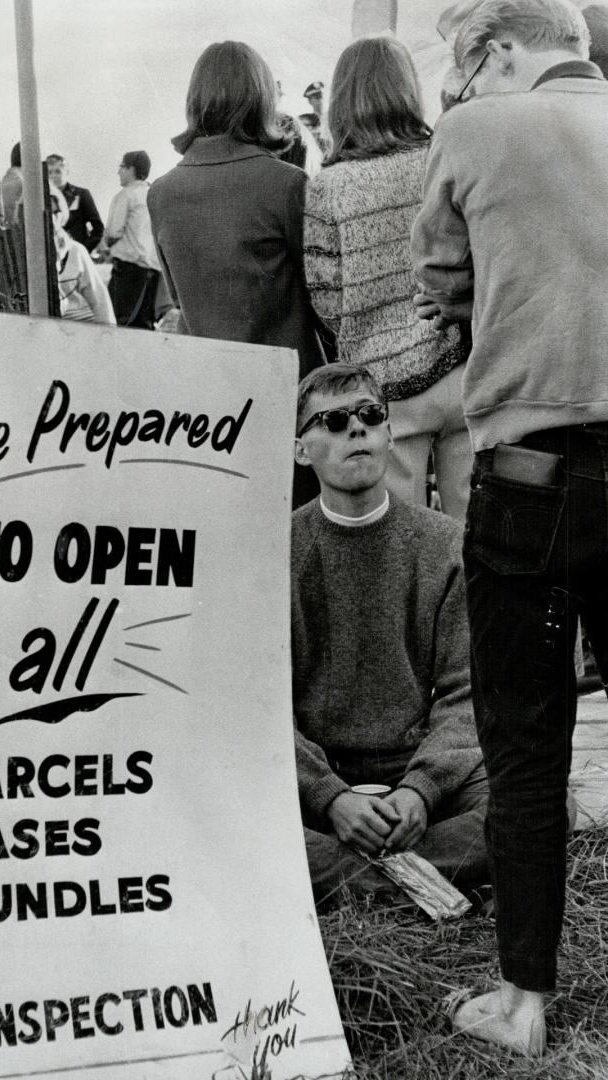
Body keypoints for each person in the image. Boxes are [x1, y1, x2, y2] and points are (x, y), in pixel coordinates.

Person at [410, 0, 608, 1055]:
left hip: (531, 473)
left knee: (526, 747)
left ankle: (522, 1000)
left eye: (465, 69)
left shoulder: (481, 127)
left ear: (497, 52)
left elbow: (439, 281)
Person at [292, 362, 488, 902]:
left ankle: (365, 883)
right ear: (300, 449)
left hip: (411, 771)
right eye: (332, 421)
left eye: (370, 415)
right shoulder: (273, 552)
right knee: (231, 811)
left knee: (532, 803)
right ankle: (418, 883)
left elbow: (466, 691)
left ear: (388, 432)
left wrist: (421, 793)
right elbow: (257, 709)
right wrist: (329, 796)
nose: (355, 429)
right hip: (315, 778)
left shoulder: (446, 546)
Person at [304, 37, 471, 521]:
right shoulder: (440, 157)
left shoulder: (328, 187)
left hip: (383, 392)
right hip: (460, 367)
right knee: (472, 532)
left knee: (402, 537)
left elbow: (326, 298)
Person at [147, 41, 327, 377]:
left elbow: (179, 298)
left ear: (194, 101)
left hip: (212, 398)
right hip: (292, 389)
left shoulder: (160, 193)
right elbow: (323, 299)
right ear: (261, 100)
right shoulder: (287, 183)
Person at [102, 150, 161, 330]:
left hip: (128, 270)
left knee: (120, 321)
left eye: (121, 167)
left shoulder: (126, 195)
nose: (118, 172)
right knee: (145, 324)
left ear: (131, 169)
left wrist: (105, 247)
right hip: (153, 270)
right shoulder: (154, 194)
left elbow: (113, 232)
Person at [49, 189, 115, 325]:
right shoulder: (24, 255)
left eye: (56, 212)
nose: (52, 218)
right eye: (46, 212)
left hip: (81, 327)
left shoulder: (75, 251)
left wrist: (108, 335)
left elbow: (99, 300)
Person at [46, 153, 104, 253]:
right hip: (51, 257)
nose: (53, 176)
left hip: (75, 255)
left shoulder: (82, 194)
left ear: (67, 172)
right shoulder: (42, 199)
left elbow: (98, 229)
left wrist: (83, 250)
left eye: (58, 172)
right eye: (49, 172)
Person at [298, 80, 330, 154]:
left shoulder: (334, 120)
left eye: (321, 96)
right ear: (310, 101)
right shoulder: (304, 121)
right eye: (316, 98)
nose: (320, 100)